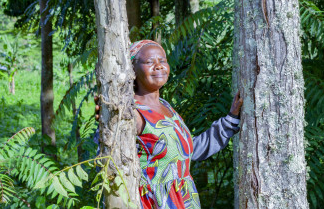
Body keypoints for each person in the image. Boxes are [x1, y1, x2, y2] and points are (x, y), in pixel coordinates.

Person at [94, 40, 243, 209]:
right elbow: (109, 158)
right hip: (155, 203)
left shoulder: (166, 107)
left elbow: (188, 151)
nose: (158, 66)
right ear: (132, 69)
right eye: (149, 62)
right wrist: (109, 118)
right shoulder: (133, 113)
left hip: (184, 200)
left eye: (162, 60)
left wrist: (230, 120)